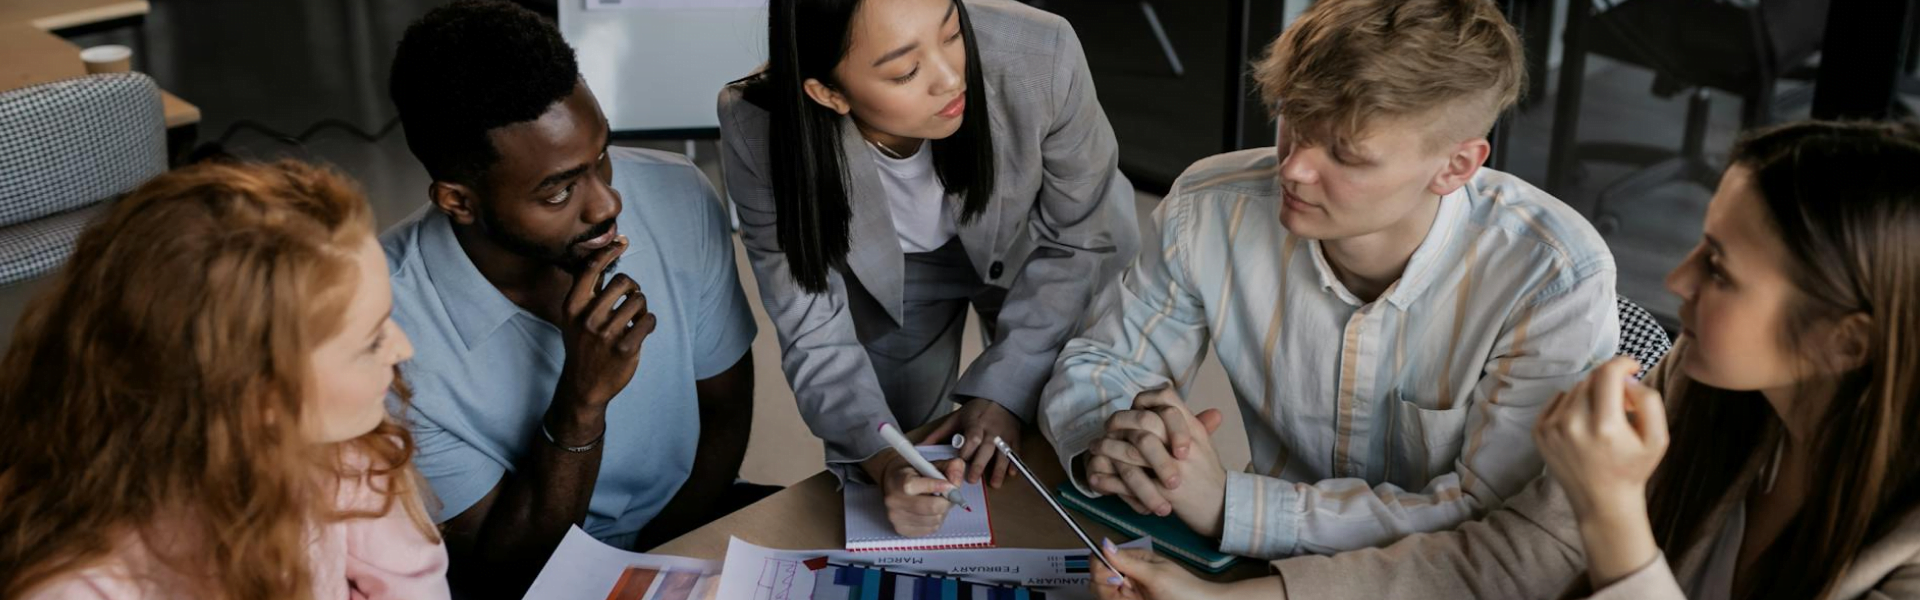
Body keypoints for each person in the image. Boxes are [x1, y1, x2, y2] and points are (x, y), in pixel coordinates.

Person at [1089, 120, 1920, 600]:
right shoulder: (1705, 392)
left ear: (1845, 340)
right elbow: (1512, 553)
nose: (1676, 281)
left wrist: (1612, 515)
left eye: (1720, 270)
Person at [1040, 0, 1618, 560]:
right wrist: (1123, 442)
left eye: (1346, 154)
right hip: (1253, 562)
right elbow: (1104, 362)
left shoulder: (1553, 277)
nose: (1292, 168)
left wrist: (1229, 505)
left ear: (1456, 166)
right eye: (1293, 120)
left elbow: (1495, 519)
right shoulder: (1208, 207)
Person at [717, 0, 1137, 536]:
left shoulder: (1043, 52)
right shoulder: (757, 124)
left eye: (953, 32)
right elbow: (811, 327)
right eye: (906, 71)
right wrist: (885, 462)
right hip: (900, 272)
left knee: (1073, 426)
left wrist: (1003, 391)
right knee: (911, 455)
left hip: (1044, 245)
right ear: (828, 93)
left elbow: (1080, 237)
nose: (951, 78)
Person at [384, 0, 761, 592]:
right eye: (558, 192)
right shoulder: (384, 325)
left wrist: (668, 569)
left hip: (689, 528)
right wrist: (583, 399)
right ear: (459, 201)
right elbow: (505, 570)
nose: (608, 203)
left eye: (601, 155)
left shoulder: (679, 193)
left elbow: (725, 412)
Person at [0, 160, 447, 600]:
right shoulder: (77, 583)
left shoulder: (348, 451)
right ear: (254, 395)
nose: (403, 348)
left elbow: (414, 582)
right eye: (372, 341)